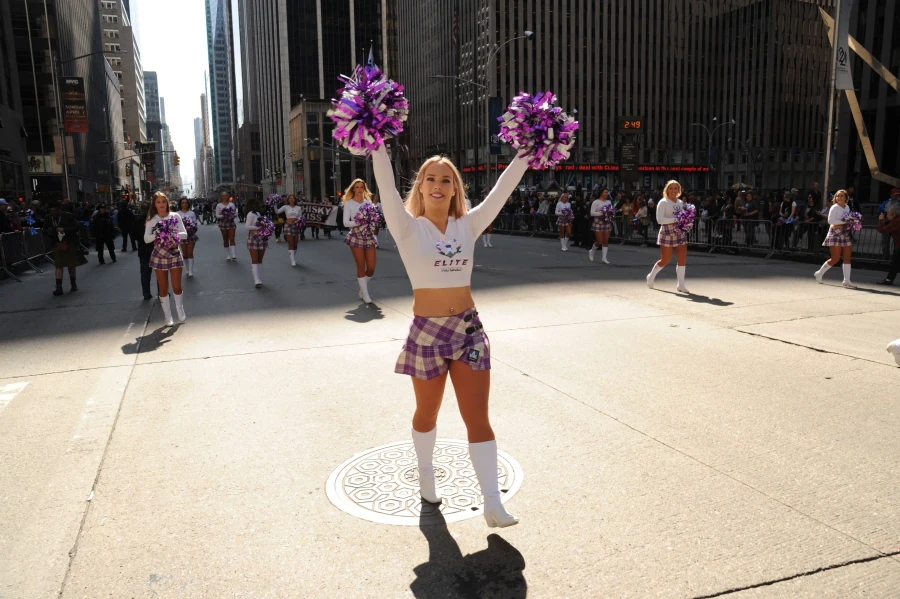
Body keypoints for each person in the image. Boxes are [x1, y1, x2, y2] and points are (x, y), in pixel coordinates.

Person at [372, 140, 526, 529]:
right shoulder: (407, 227)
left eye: (446, 180)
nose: (438, 185)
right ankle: (426, 472)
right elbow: (386, 188)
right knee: (428, 413)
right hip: (427, 333)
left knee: (478, 416)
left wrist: (529, 151)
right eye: (430, 179)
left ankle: (493, 503)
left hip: (469, 330)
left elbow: (501, 190)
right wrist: (374, 142)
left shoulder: (468, 224)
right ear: (420, 187)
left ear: (456, 188)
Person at [144, 192, 188, 325]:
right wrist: (158, 234)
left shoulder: (175, 216)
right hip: (159, 255)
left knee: (176, 286)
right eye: (158, 202)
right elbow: (146, 239)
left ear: (167, 202)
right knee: (163, 287)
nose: (161, 204)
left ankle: (180, 309)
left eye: (163, 201)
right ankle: (168, 316)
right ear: (154, 204)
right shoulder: (152, 220)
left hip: (174, 253)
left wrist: (171, 235)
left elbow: (184, 234)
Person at [646, 180, 690, 293]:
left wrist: (687, 221)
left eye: (676, 188)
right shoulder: (663, 202)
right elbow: (660, 220)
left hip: (680, 231)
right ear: (667, 189)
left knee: (682, 257)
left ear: (679, 190)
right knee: (665, 259)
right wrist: (676, 219)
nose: (673, 190)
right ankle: (651, 276)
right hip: (667, 231)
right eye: (671, 188)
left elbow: (684, 217)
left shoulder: (680, 202)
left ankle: (681, 284)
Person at [342, 179, 378, 303]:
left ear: (364, 189)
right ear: (353, 189)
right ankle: (366, 294)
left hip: (368, 235)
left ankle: (363, 287)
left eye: (361, 187)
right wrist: (359, 222)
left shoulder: (368, 203)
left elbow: (374, 219)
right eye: (356, 187)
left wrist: (372, 223)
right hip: (356, 235)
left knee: (372, 267)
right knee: (360, 266)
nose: (359, 189)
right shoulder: (349, 203)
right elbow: (345, 223)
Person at [42, 201, 87, 295]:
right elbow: (44, 230)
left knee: (71, 264)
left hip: (69, 242)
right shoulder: (48, 218)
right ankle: (59, 287)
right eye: (51, 210)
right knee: (58, 265)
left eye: (55, 210)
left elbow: (76, 227)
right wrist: (49, 232)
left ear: (59, 209)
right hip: (56, 243)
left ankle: (73, 284)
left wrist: (64, 229)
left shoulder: (68, 216)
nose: (53, 212)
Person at [814, 189, 855, 288]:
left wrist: (853, 221)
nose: (839, 198)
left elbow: (847, 219)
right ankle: (819, 273)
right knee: (835, 258)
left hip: (845, 232)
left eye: (841, 196)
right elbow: (830, 220)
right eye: (837, 196)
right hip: (835, 233)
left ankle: (846, 280)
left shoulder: (847, 207)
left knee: (847, 257)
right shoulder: (834, 207)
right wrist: (845, 222)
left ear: (846, 198)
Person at [131, 202, 154, 300]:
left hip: (143, 250)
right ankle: (162, 291)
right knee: (160, 272)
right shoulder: (156, 220)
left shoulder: (138, 221)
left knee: (145, 273)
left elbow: (134, 236)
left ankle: (146, 293)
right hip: (156, 250)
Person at [245, 198, 269, 288]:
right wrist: (258, 228)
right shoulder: (250, 214)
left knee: (260, 259)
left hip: (262, 237)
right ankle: (256, 280)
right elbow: (247, 226)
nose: (259, 206)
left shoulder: (259, 214)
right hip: (253, 238)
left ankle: (259, 277)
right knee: (254, 259)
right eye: (257, 204)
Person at [876, 204, 900, 286]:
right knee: (895, 263)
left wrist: (880, 220)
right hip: (898, 244)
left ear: (893, 214)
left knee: (895, 263)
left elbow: (882, 229)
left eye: (888, 213)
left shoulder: (896, 222)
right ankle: (889, 279)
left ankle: (889, 279)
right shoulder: (896, 220)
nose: (886, 215)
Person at [276, 194, 303, 266]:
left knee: (295, 244)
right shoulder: (285, 207)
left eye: (293, 198)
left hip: (296, 225)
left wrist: (298, 219)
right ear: (288, 200)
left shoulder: (298, 208)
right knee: (290, 242)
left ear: (295, 200)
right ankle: (292, 260)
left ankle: (293, 257)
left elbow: (300, 217)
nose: (291, 199)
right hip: (288, 225)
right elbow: (277, 211)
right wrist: (274, 204)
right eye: (290, 198)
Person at [176, 198, 199, 277]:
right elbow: (175, 225)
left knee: (190, 252)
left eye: (186, 203)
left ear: (188, 204)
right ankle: (187, 268)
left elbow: (195, 224)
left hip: (191, 235)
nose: (184, 204)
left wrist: (191, 228)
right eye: (183, 203)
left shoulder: (192, 213)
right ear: (180, 204)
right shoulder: (177, 214)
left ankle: (191, 270)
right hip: (182, 236)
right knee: (185, 253)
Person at [589, 188, 612, 263]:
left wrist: (611, 213)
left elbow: (611, 210)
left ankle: (604, 258)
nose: (606, 194)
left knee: (606, 240)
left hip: (607, 222)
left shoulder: (609, 201)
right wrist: (601, 213)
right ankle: (592, 251)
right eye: (605, 192)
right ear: (601, 193)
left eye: (607, 192)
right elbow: (592, 213)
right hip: (598, 222)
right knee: (599, 241)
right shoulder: (596, 202)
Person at [215, 192, 238, 261]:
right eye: (223, 196)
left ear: (228, 196)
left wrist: (231, 215)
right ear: (221, 197)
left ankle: (233, 254)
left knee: (232, 238)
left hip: (231, 223)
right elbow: (217, 215)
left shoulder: (232, 204)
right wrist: (224, 215)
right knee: (225, 239)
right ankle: (228, 254)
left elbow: (235, 213)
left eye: (226, 196)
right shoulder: (219, 205)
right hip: (223, 223)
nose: (225, 197)